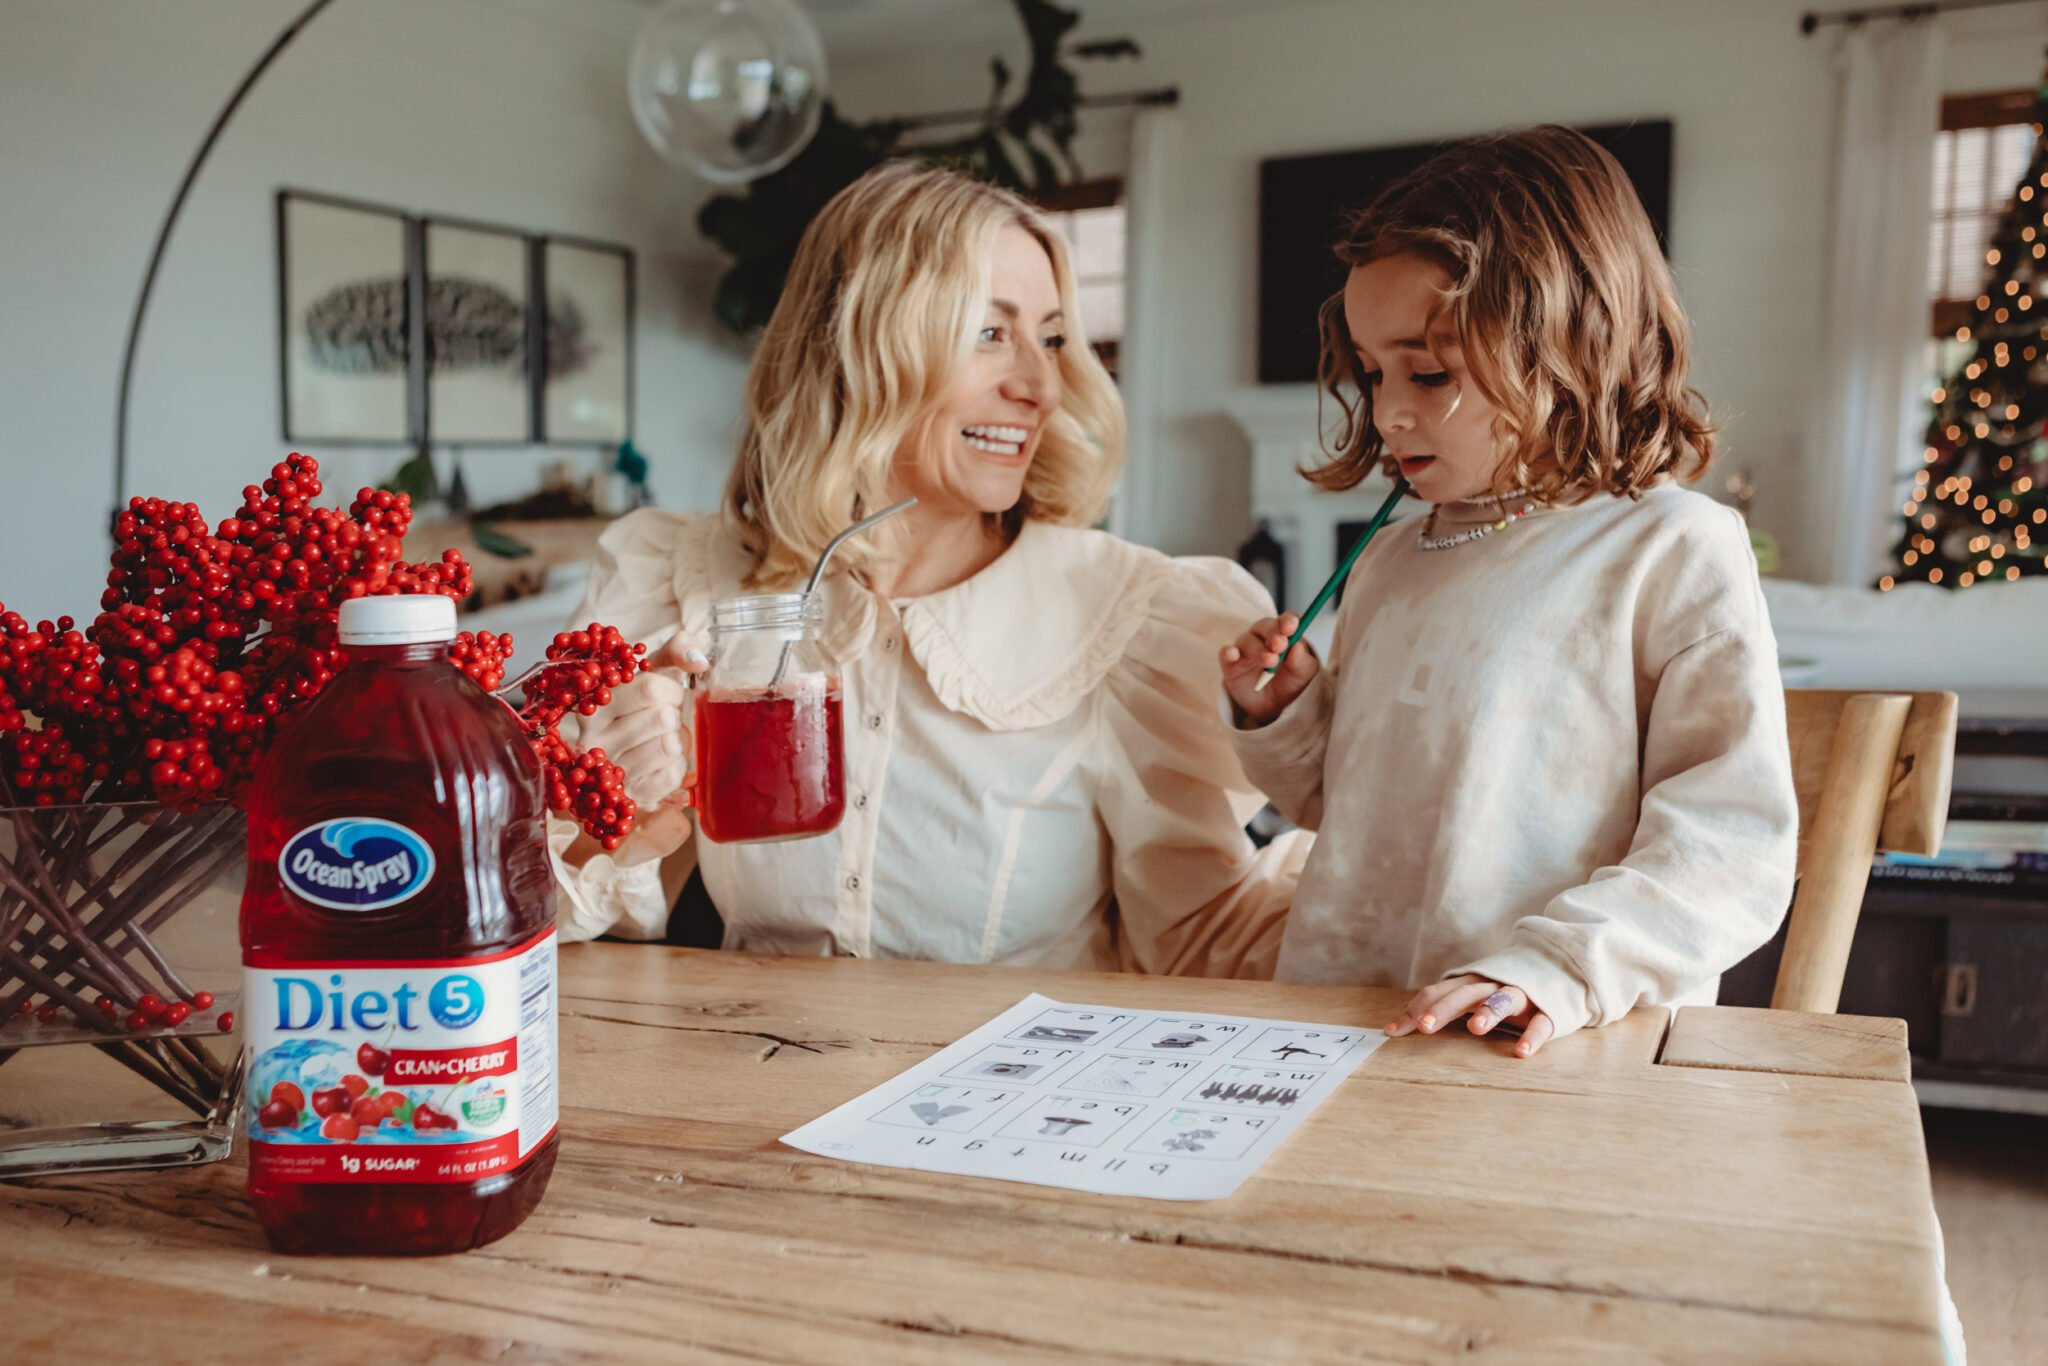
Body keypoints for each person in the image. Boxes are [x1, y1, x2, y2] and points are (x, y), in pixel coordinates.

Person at [552, 161, 1304, 975]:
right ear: (858, 346)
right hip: (755, 1084)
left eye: (1051, 339)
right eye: (989, 333)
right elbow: (542, 917)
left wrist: (1436, 917)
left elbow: (1207, 936)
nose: (1042, 386)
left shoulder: (1123, 613)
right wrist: (614, 822)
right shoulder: (679, 579)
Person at [1220, 125, 1799, 1057]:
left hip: (1549, 1036)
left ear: (1570, 340)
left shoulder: (1670, 547)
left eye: (1430, 371)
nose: (1388, 411)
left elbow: (1732, 847)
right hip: (1347, 1023)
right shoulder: (1391, 559)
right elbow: (1348, 803)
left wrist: (1553, 970)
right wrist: (1285, 716)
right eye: (1372, 371)